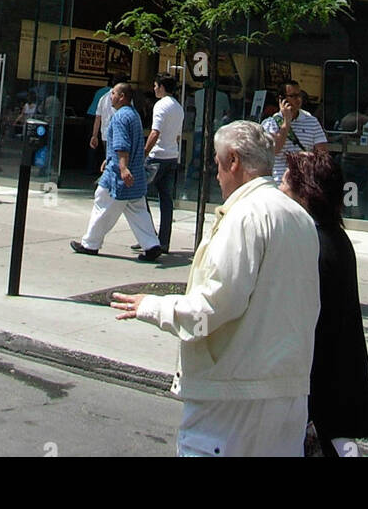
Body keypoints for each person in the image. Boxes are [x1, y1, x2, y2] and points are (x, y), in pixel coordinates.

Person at [110, 120, 320, 458]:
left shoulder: (245, 216)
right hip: (287, 396)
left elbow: (215, 306)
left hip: (233, 398)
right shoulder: (299, 218)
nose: (216, 173)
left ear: (234, 160)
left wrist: (154, 307)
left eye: (218, 162)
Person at [282, 151, 368, 457]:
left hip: (317, 392)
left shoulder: (313, 246)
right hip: (334, 393)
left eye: (286, 183)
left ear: (305, 194)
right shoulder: (334, 238)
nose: (280, 190)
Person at [71, 81, 161, 262]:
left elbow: (121, 145)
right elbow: (126, 145)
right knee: (138, 210)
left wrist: (122, 167)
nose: (110, 96)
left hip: (118, 176)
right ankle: (152, 245)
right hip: (135, 175)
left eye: (113, 93)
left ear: (122, 97)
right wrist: (111, 159)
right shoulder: (134, 115)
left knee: (101, 203)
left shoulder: (119, 117)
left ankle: (90, 244)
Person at [144, 74, 184, 255]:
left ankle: (148, 237)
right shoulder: (178, 107)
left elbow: (155, 132)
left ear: (161, 87)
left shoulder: (160, 105)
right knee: (166, 199)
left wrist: (143, 152)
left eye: (155, 85)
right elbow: (176, 135)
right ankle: (164, 240)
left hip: (157, 156)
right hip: (171, 155)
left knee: (139, 195)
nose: (154, 89)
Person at [262, 82, 328, 186]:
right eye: (293, 96)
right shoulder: (270, 123)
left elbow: (323, 154)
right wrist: (286, 122)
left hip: (304, 183)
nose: (298, 99)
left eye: (299, 95)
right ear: (282, 100)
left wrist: (307, 157)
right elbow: (274, 150)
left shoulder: (312, 122)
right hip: (279, 182)